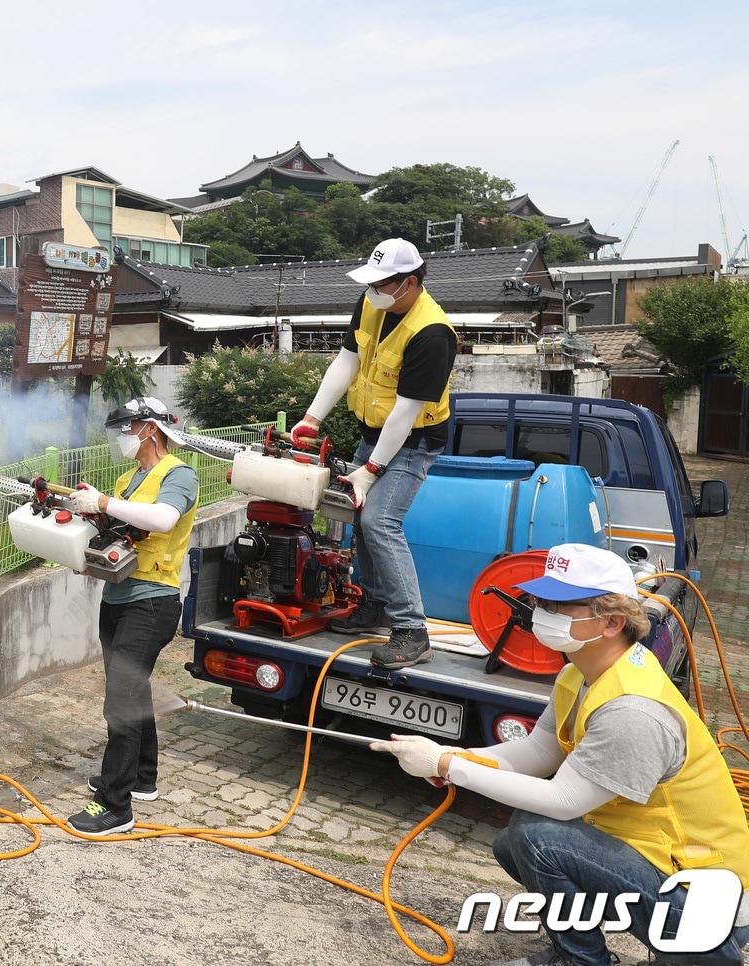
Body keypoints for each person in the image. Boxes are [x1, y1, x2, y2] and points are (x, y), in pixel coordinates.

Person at [372, 543, 749, 966]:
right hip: (656, 860)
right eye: (540, 601)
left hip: (705, 894)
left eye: (558, 605)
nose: (539, 612)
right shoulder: (581, 670)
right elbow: (540, 749)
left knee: (540, 837)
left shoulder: (633, 709)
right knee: (516, 842)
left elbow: (564, 802)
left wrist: (449, 766)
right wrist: (457, 755)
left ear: (611, 623)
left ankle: (600, 960)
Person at [291, 237, 457, 669]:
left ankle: (411, 630)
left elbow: (407, 412)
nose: (374, 290)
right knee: (361, 521)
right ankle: (375, 606)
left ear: (410, 282)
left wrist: (371, 468)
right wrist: (313, 417)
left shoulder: (432, 333)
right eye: (373, 282)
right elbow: (346, 361)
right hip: (375, 431)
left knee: (380, 521)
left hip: (414, 440)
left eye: (383, 284)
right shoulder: (372, 304)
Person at [62, 397, 199, 837]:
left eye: (126, 429)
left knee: (120, 698)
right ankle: (141, 777)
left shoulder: (178, 474)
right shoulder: (129, 478)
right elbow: (118, 531)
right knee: (132, 691)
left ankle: (114, 806)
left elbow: (161, 519)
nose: (120, 438)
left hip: (152, 600)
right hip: (118, 597)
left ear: (149, 430)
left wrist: (102, 501)